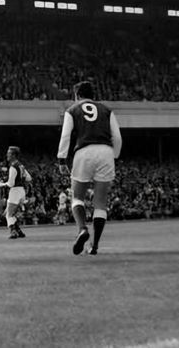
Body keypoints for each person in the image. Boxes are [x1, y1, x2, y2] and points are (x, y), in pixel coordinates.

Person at [57, 81, 122, 255]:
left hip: (84, 151)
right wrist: (113, 155)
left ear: (77, 95)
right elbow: (117, 137)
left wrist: (62, 160)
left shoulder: (72, 110)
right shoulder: (107, 110)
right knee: (100, 202)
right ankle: (94, 246)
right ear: (93, 95)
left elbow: (65, 136)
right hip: (106, 151)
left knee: (77, 197)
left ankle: (82, 229)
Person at [0, 146, 32, 239]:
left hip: (15, 192)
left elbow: (10, 184)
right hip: (22, 191)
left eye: (9, 153)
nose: (7, 155)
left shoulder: (13, 167)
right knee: (7, 214)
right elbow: (29, 178)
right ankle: (19, 231)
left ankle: (13, 232)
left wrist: (1, 184)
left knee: (9, 214)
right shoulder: (21, 166)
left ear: (13, 155)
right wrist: (21, 179)